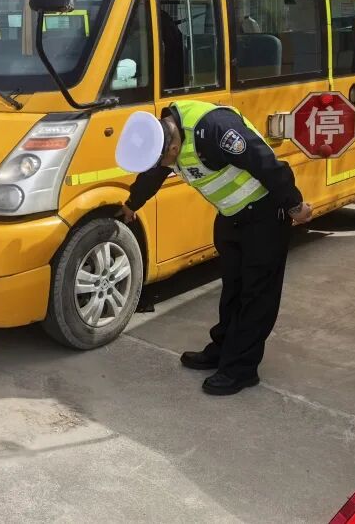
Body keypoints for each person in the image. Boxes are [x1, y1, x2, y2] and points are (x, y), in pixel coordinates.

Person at [115, 102, 313, 396]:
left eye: (163, 161)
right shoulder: (165, 134)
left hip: (266, 217)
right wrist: (132, 205)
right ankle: (222, 351)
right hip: (232, 217)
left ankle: (241, 369)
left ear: (170, 148)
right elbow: (153, 175)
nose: (163, 167)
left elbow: (265, 163)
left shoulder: (216, 129)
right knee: (233, 289)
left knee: (257, 295)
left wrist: (294, 205)